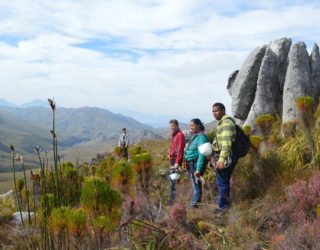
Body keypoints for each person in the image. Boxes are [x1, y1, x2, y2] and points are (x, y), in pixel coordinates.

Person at [211, 102, 238, 212]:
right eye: (213, 111)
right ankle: (223, 205)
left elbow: (226, 143)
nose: (214, 113)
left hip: (227, 156)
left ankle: (223, 208)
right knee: (222, 181)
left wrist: (221, 160)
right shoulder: (222, 123)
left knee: (222, 182)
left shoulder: (226, 123)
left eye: (216, 111)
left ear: (223, 110)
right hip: (224, 155)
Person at [184, 118, 208, 208]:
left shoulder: (201, 137)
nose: (191, 127)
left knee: (197, 186)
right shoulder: (195, 136)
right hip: (191, 163)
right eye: (190, 126)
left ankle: (194, 206)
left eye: (192, 125)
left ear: (198, 126)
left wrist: (198, 169)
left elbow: (202, 154)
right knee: (195, 185)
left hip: (195, 164)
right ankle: (196, 205)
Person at [167, 119, 186, 205]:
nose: (172, 128)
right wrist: (169, 153)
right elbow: (174, 147)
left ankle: (172, 199)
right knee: (173, 179)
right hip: (172, 159)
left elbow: (180, 149)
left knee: (173, 180)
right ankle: (175, 198)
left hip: (175, 160)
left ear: (177, 125)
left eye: (173, 126)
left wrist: (177, 162)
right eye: (170, 127)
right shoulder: (174, 135)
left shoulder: (180, 135)